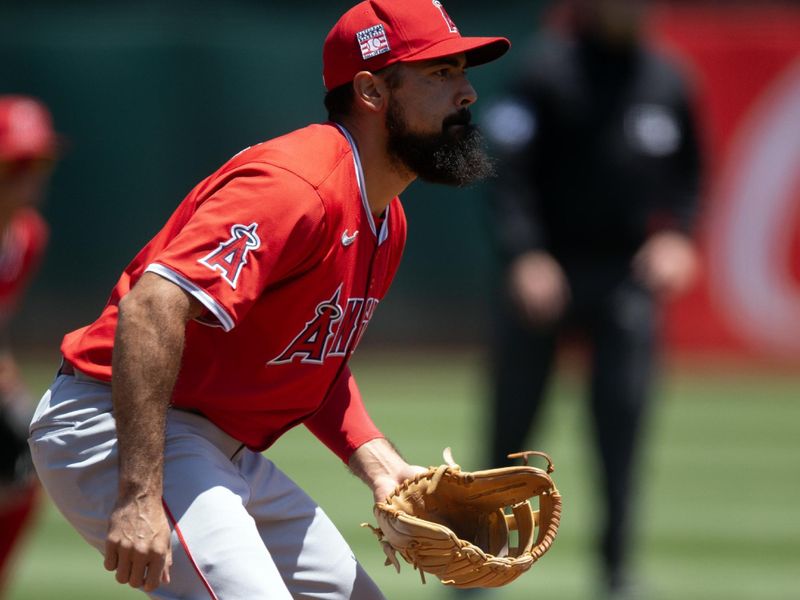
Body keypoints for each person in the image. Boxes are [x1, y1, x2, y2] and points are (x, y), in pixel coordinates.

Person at [28, 1, 509, 598]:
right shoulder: (295, 187)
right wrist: (138, 495)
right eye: (440, 73)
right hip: (116, 425)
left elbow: (312, 359)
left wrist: (379, 464)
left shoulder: (387, 217)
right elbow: (151, 307)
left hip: (213, 446)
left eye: (463, 71)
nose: (467, 93)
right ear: (370, 91)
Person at [481, 0, 701, 597]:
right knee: (512, 429)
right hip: (546, 272)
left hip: (625, 277)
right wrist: (524, 252)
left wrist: (678, 238)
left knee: (622, 425)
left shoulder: (667, 80)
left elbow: (689, 178)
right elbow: (505, 170)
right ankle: (477, 571)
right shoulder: (546, 72)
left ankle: (616, 572)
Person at [0, 95, 57, 593]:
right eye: (16, 163)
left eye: (38, 162)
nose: (29, 176)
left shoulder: (26, 238)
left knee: (25, 467)